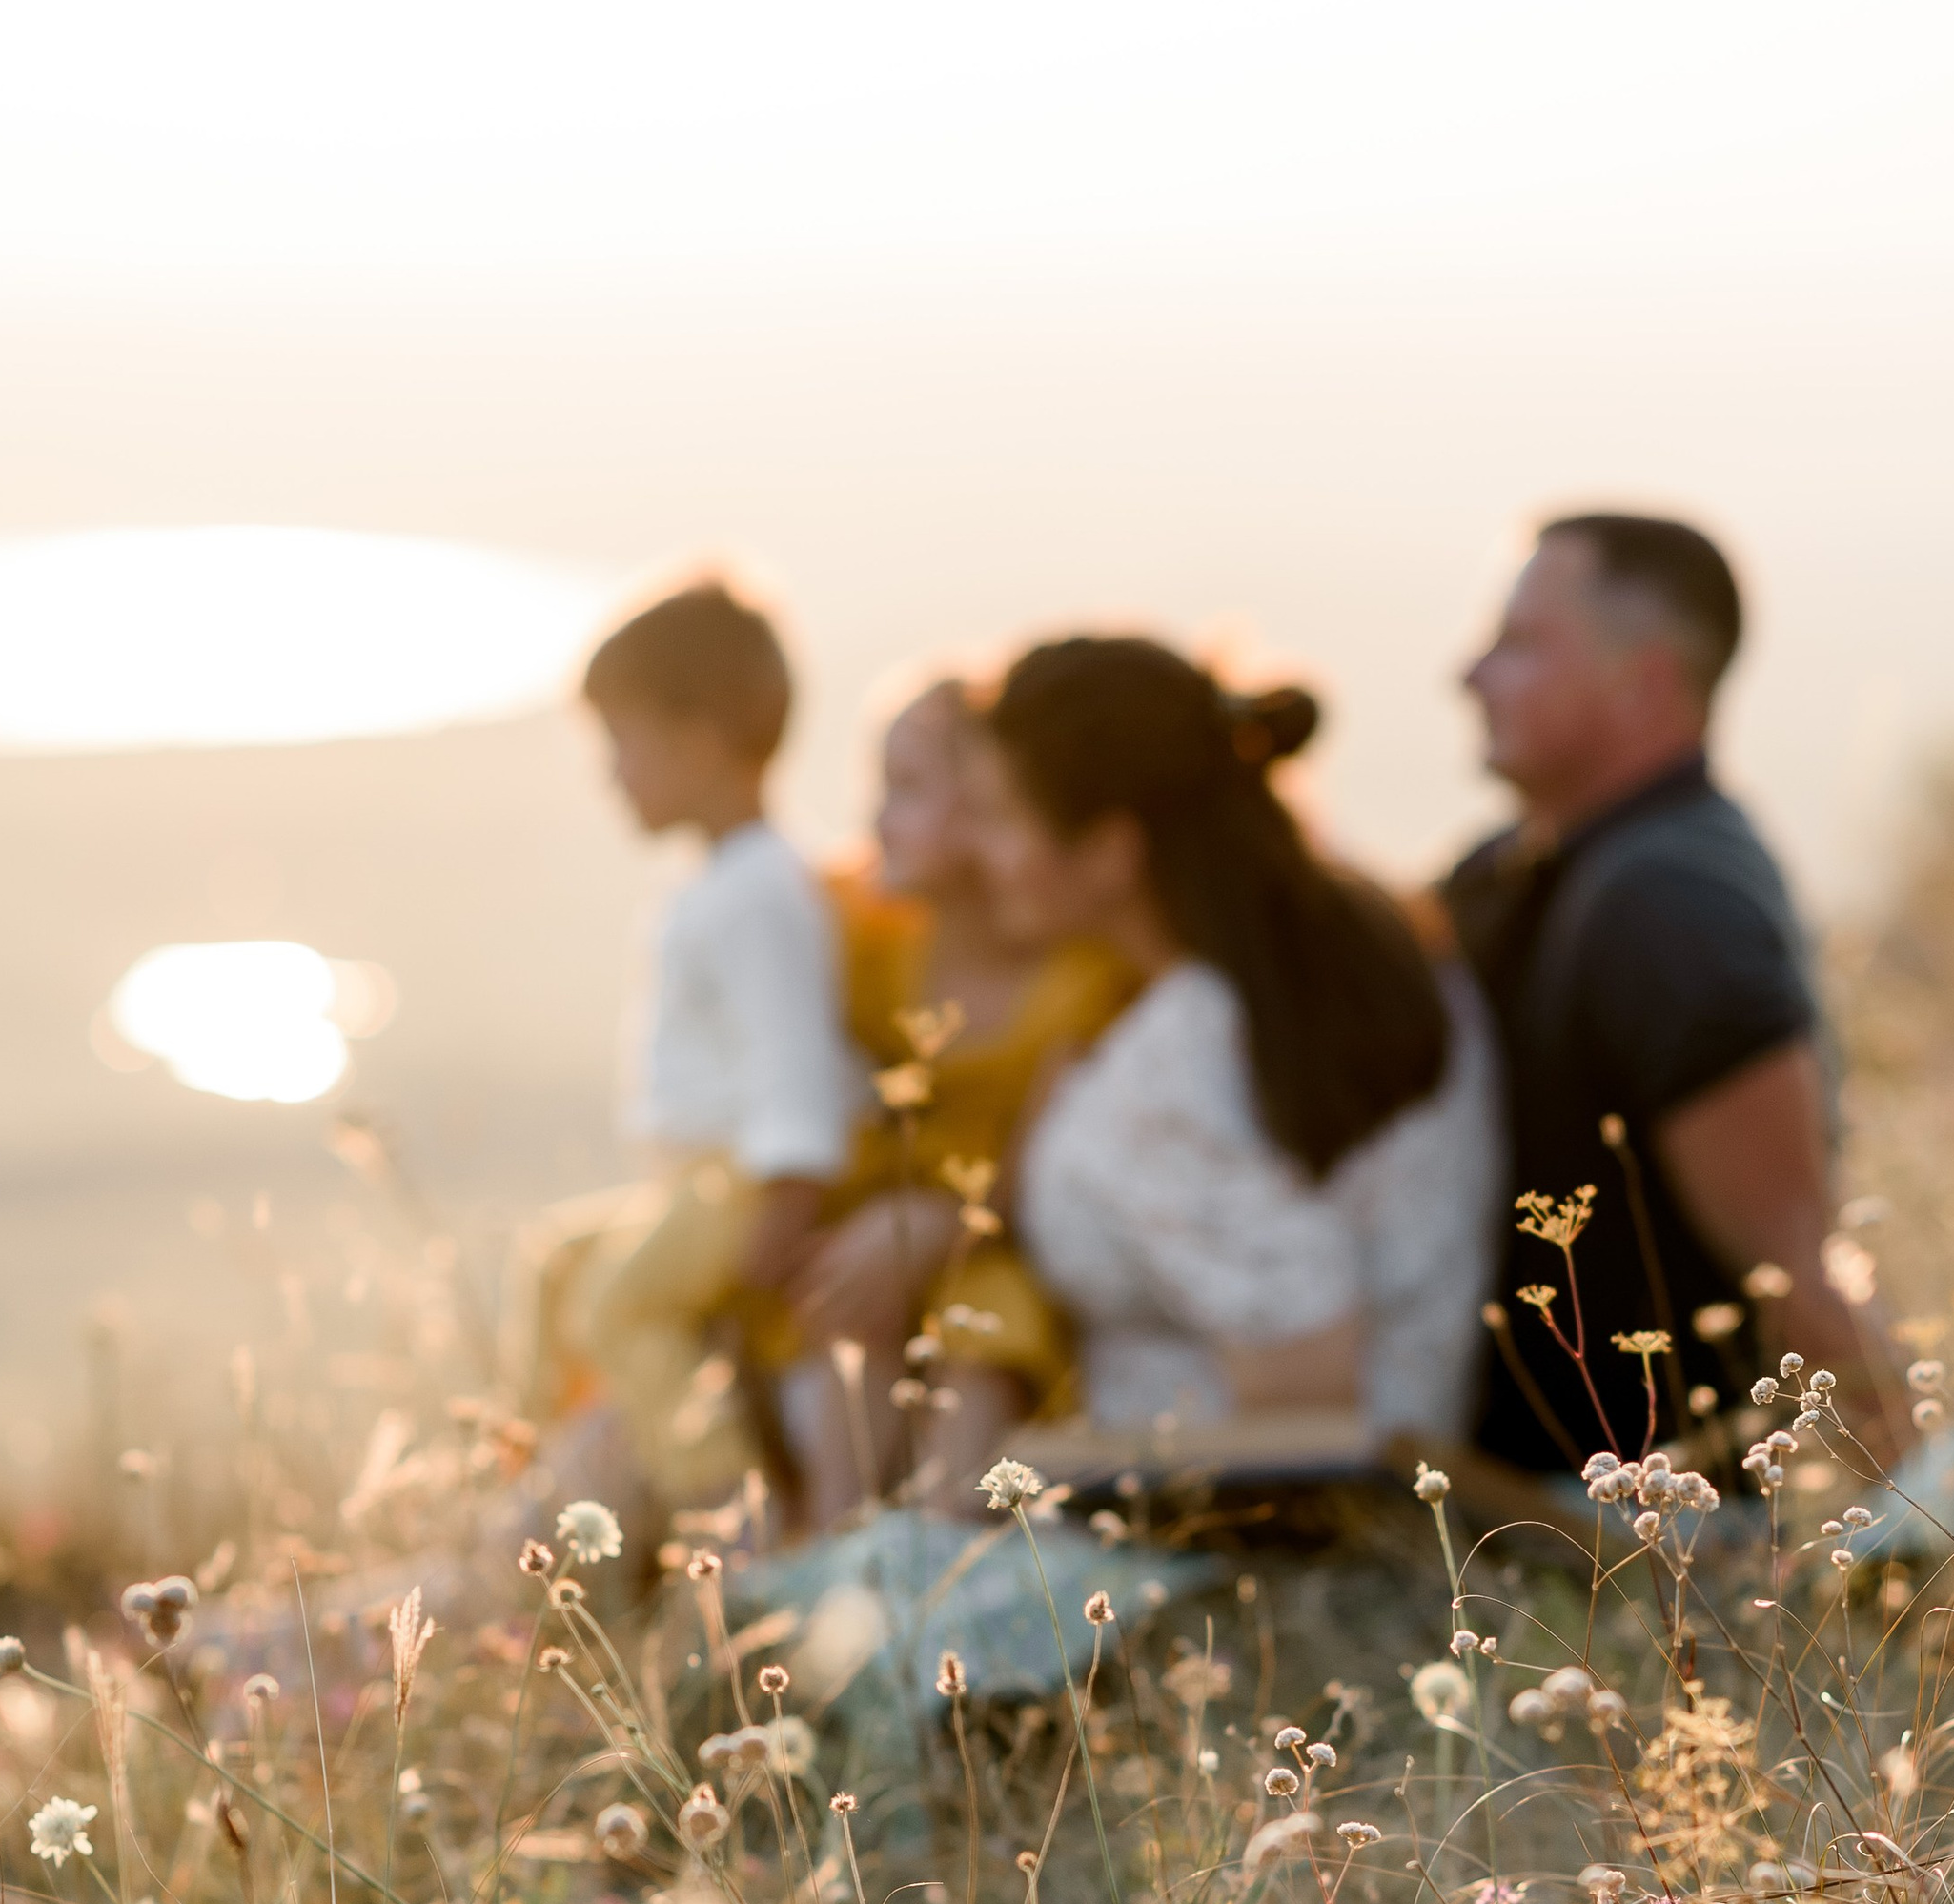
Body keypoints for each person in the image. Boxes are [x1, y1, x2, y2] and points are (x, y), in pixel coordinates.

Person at [971, 636, 1502, 1453]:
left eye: (1005, 819)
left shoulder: (1179, 1064)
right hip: (1401, 1464)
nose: (987, 857)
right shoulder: (1363, 950)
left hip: (1228, 1536)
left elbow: (1306, 1396)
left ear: (1112, 852)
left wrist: (1048, 1464)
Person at [1448, 512, 1895, 1476]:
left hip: (1624, 1541)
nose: (1469, 674)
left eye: (1519, 646)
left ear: (1638, 679)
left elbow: (1795, 1271)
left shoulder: (1670, 908)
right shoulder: (1524, 867)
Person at [785, 679, 1137, 1520]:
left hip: (983, 1238)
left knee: (983, 1337)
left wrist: (938, 1222)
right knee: (856, 1325)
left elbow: (1030, 1159)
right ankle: (832, 1551)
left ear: (984, 808)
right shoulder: (873, 945)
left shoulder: (1072, 983)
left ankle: (946, 1542)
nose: (877, 820)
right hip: (873, 1228)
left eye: (907, 790)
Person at [570, 577, 865, 1510]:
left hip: (742, 1182)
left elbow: (794, 1072)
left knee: (617, 1303)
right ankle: (583, 1466)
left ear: (697, 741)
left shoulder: (758, 894)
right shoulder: (730, 881)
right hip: (707, 1178)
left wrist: (782, 1213)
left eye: (621, 743)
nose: (608, 772)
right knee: (557, 1265)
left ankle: (723, 1515)